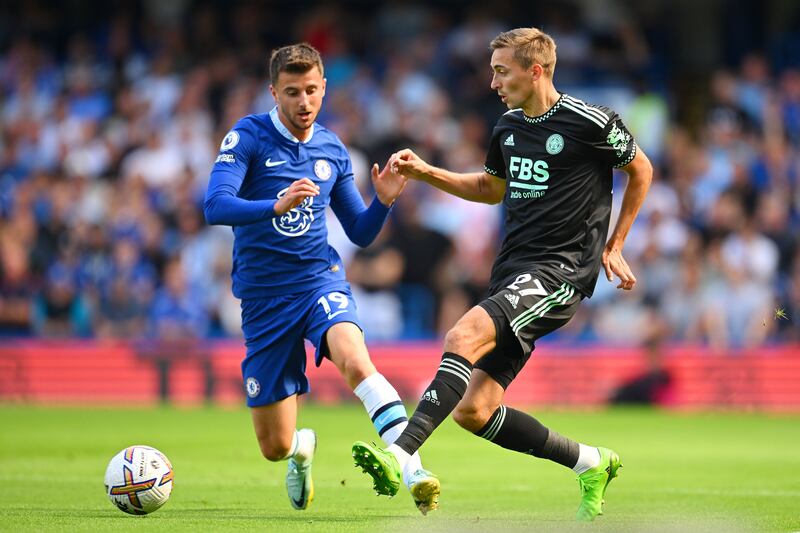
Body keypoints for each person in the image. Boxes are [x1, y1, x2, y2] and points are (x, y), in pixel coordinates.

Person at [352, 27, 652, 521]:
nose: (492, 83)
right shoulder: (509, 126)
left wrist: (615, 245)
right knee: (476, 411)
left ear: (535, 71)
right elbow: (491, 188)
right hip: (513, 271)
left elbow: (641, 169)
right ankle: (591, 463)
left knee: (462, 333)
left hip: (561, 271)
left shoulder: (590, 122)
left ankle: (399, 452)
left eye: (500, 72)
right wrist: (426, 172)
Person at [203, 43, 438, 514]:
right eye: (292, 92)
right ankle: (299, 450)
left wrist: (384, 201)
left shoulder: (332, 148)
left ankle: (414, 468)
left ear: (324, 87)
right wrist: (275, 204)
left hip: (319, 281)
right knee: (274, 444)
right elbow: (215, 205)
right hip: (264, 298)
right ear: (273, 92)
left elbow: (360, 232)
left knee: (355, 359)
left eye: (312, 90)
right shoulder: (247, 137)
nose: (304, 102)